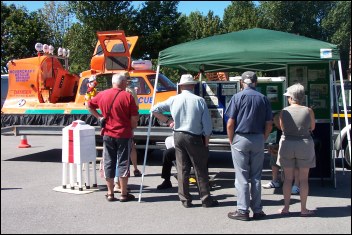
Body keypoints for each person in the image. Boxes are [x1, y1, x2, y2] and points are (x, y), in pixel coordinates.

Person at [151, 74, 219, 208]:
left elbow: (154, 109)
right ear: (193, 86)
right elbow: (207, 125)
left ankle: (185, 200)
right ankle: (206, 199)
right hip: (194, 136)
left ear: (181, 86)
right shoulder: (199, 100)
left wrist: (168, 121)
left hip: (178, 135)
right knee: (200, 168)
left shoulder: (174, 99)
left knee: (182, 169)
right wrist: (206, 141)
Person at [225, 71, 273, 221]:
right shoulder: (263, 98)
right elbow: (269, 123)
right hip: (258, 138)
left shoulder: (237, 97)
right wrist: (263, 137)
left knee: (242, 176)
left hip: (241, 137)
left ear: (241, 83)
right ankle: (258, 210)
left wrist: (231, 139)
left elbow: (230, 123)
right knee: (256, 176)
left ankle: (243, 210)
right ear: (255, 83)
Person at [87, 72, 139, 202]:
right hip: (123, 134)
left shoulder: (102, 94)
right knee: (123, 163)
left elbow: (88, 105)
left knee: (109, 162)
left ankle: (110, 193)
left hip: (107, 134)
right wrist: (132, 129)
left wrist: (99, 117)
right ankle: (123, 193)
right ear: (122, 83)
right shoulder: (127, 96)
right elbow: (134, 117)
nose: (127, 83)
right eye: (126, 81)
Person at [277, 83, 316, 216]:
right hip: (304, 144)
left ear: (291, 97)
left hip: (287, 143)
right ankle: (303, 209)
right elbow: (313, 127)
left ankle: (286, 207)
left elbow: (282, 128)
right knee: (304, 179)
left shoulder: (284, 111)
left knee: (288, 179)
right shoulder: (308, 110)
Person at [113, 82, 142, 192]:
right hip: (125, 129)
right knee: (123, 157)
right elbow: (135, 110)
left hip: (112, 129)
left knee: (116, 157)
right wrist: (133, 127)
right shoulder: (130, 93)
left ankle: (115, 186)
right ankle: (120, 185)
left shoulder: (112, 93)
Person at [263, 113, 301, 195]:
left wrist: (279, 149)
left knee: (296, 158)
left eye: (277, 124)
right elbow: (276, 142)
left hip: (295, 150)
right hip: (284, 150)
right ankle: (275, 180)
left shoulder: (292, 129)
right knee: (273, 155)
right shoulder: (278, 130)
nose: (276, 126)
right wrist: (273, 147)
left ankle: (296, 184)